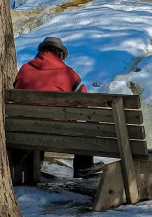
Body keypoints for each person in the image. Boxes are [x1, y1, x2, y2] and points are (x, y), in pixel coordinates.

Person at [13, 37, 93, 177]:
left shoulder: (24, 69)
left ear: (40, 51)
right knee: (86, 127)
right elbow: (83, 103)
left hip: (25, 131)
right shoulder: (68, 73)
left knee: (37, 117)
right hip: (59, 133)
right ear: (60, 54)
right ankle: (83, 168)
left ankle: (32, 164)